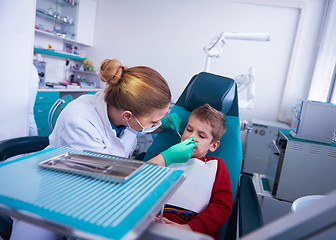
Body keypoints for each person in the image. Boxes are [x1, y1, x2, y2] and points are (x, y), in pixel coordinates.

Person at [10, 59, 196, 240]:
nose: (156, 125)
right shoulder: (80, 121)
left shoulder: (122, 109)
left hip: (93, 194)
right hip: (52, 197)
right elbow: (104, 185)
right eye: (153, 122)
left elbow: (135, 127)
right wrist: (166, 158)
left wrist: (161, 123)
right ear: (127, 116)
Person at [155, 104, 233, 240]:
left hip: (192, 233)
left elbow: (222, 207)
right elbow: (142, 187)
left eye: (201, 136)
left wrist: (189, 228)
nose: (191, 138)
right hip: (155, 227)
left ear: (213, 145)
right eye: (189, 129)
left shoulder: (216, 166)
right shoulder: (165, 157)